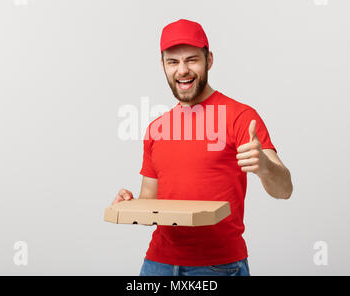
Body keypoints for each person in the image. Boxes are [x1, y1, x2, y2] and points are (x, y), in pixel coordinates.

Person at [112, 19, 293, 276]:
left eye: (192, 60)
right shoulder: (156, 128)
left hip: (218, 266)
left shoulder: (240, 116)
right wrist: (130, 205)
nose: (182, 70)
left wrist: (265, 167)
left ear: (209, 60)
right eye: (172, 62)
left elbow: (285, 190)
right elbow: (151, 202)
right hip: (157, 265)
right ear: (162, 66)